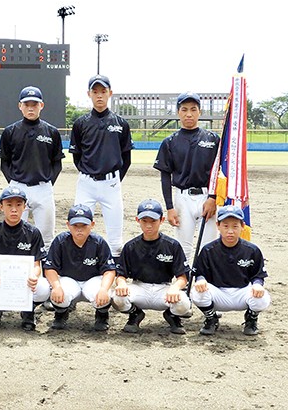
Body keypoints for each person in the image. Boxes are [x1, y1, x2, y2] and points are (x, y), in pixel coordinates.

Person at [69, 75, 132, 257]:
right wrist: (87, 172)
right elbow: (77, 156)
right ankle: (81, 266)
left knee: (115, 237)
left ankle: (115, 275)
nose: (99, 96)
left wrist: (114, 179)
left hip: (111, 183)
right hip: (86, 183)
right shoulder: (81, 123)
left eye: (103, 91)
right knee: (79, 227)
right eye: (95, 91)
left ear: (110, 93)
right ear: (88, 94)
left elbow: (126, 158)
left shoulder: (121, 123)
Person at [154, 92, 220, 263]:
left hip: (207, 197)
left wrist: (213, 198)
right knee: (183, 247)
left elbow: (219, 173)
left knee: (209, 246)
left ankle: (204, 281)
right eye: (184, 109)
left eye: (193, 109)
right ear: (178, 112)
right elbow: (165, 176)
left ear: (200, 112)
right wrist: (169, 207)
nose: (189, 114)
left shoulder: (212, 139)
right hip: (183, 198)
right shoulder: (170, 142)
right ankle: (183, 283)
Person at [0, 186, 51, 331]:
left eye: (18, 205)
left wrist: (34, 276)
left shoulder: (33, 233)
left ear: (24, 207)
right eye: (9, 205)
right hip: (0, 281)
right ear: (1, 207)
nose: (14, 209)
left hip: (24, 281)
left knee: (44, 288)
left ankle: (28, 311)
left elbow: (37, 265)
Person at [0, 86, 64, 246]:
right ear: (20, 106)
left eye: (35, 104)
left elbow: (57, 163)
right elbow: (4, 162)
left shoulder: (51, 132)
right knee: (15, 234)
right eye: (27, 104)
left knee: (46, 238)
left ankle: (42, 271)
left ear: (41, 105)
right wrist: (14, 182)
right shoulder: (10, 131)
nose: (31, 108)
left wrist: (47, 183)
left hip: (43, 188)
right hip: (18, 188)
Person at [112, 199, 191, 335]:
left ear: (161, 220)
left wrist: (175, 287)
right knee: (116, 297)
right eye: (144, 221)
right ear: (137, 220)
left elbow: (182, 276)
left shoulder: (172, 245)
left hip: (163, 289)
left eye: (153, 221)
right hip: (139, 287)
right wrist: (121, 284)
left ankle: (172, 316)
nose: (149, 226)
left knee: (184, 304)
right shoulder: (131, 246)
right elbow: (121, 274)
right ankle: (135, 314)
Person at [191, 205, 271, 336]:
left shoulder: (252, 250)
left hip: (242, 293)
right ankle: (211, 319)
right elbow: (200, 274)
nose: (230, 231)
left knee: (263, 298)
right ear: (218, 226)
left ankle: (251, 319)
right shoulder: (208, 250)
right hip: (218, 293)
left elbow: (258, 275)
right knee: (197, 293)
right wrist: (200, 280)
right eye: (226, 226)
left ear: (242, 226)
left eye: (235, 226)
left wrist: (257, 285)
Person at [43, 205, 116, 331]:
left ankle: (102, 315)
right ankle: (60, 314)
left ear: (92, 225)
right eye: (75, 226)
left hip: (92, 280)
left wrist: (104, 289)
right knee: (59, 292)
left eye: (84, 226)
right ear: (68, 225)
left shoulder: (98, 242)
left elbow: (109, 270)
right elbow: (50, 268)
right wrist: (56, 286)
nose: (79, 230)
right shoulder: (60, 241)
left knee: (105, 292)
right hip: (69, 280)